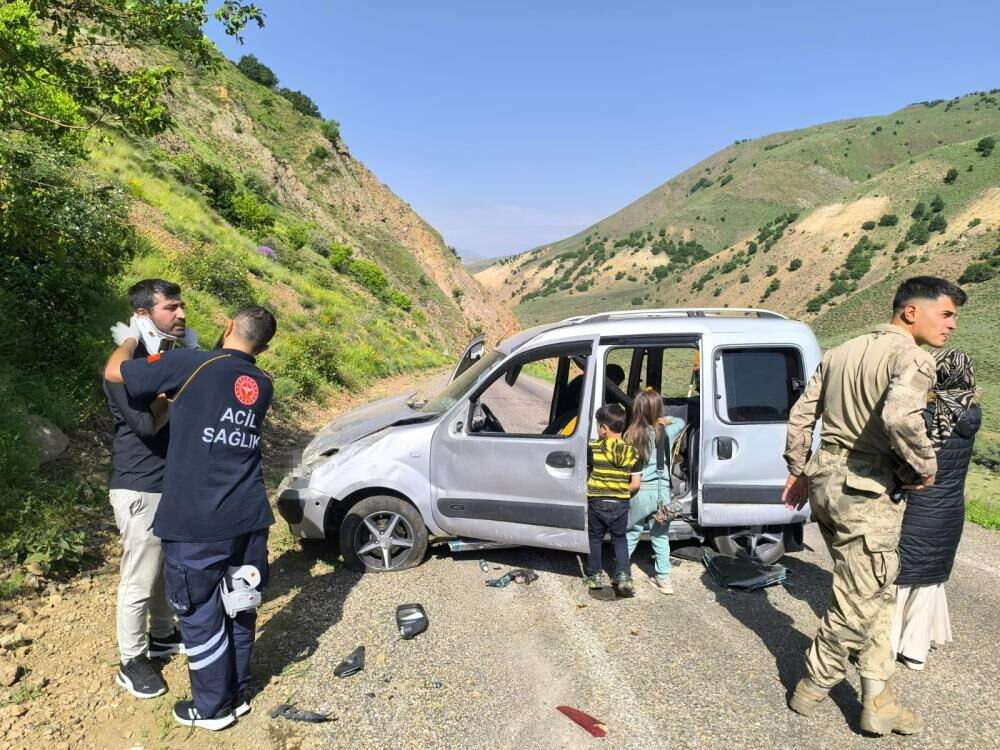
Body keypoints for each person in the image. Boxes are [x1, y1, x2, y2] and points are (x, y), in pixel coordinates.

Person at [782, 275, 966, 737]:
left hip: (827, 481)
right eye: (945, 313)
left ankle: (878, 700)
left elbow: (803, 414)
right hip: (867, 489)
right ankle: (813, 683)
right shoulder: (913, 357)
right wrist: (925, 466)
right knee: (859, 597)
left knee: (876, 591)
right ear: (910, 312)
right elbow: (899, 416)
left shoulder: (840, 351)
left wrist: (799, 468)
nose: (952, 325)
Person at [105, 305, 277, 731]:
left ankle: (213, 708)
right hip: (250, 517)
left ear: (229, 326)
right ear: (266, 346)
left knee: (199, 613)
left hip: (198, 521)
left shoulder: (193, 363)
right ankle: (236, 694)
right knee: (240, 605)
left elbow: (116, 373)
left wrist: (131, 336)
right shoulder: (262, 382)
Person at [105, 279, 198, 699]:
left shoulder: (163, 357)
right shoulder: (125, 366)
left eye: (182, 307)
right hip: (139, 485)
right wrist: (176, 387)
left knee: (161, 569)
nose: (181, 315)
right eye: (171, 308)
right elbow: (145, 425)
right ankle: (132, 660)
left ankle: (161, 634)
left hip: (167, 482)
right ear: (144, 316)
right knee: (139, 578)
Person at [892, 349, 981, 670]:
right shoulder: (972, 414)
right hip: (950, 511)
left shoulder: (924, 416)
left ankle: (887, 644)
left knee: (898, 576)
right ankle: (916, 651)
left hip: (916, 506)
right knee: (928, 579)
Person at [624, 389, 686, 594]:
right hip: (661, 494)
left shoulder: (630, 434)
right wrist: (662, 419)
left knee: (632, 532)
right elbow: (680, 421)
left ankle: (622, 572)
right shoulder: (666, 430)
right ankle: (664, 579)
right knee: (660, 536)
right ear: (658, 410)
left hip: (638, 492)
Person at [583, 403, 641, 596]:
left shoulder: (594, 449)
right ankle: (624, 576)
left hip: (597, 503)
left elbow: (587, 471)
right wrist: (618, 489)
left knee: (595, 538)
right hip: (620, 504)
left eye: (599, 426)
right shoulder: (633, 453)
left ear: (604, 429)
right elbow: (635, 484)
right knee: (619, 539)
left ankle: (595, 576)